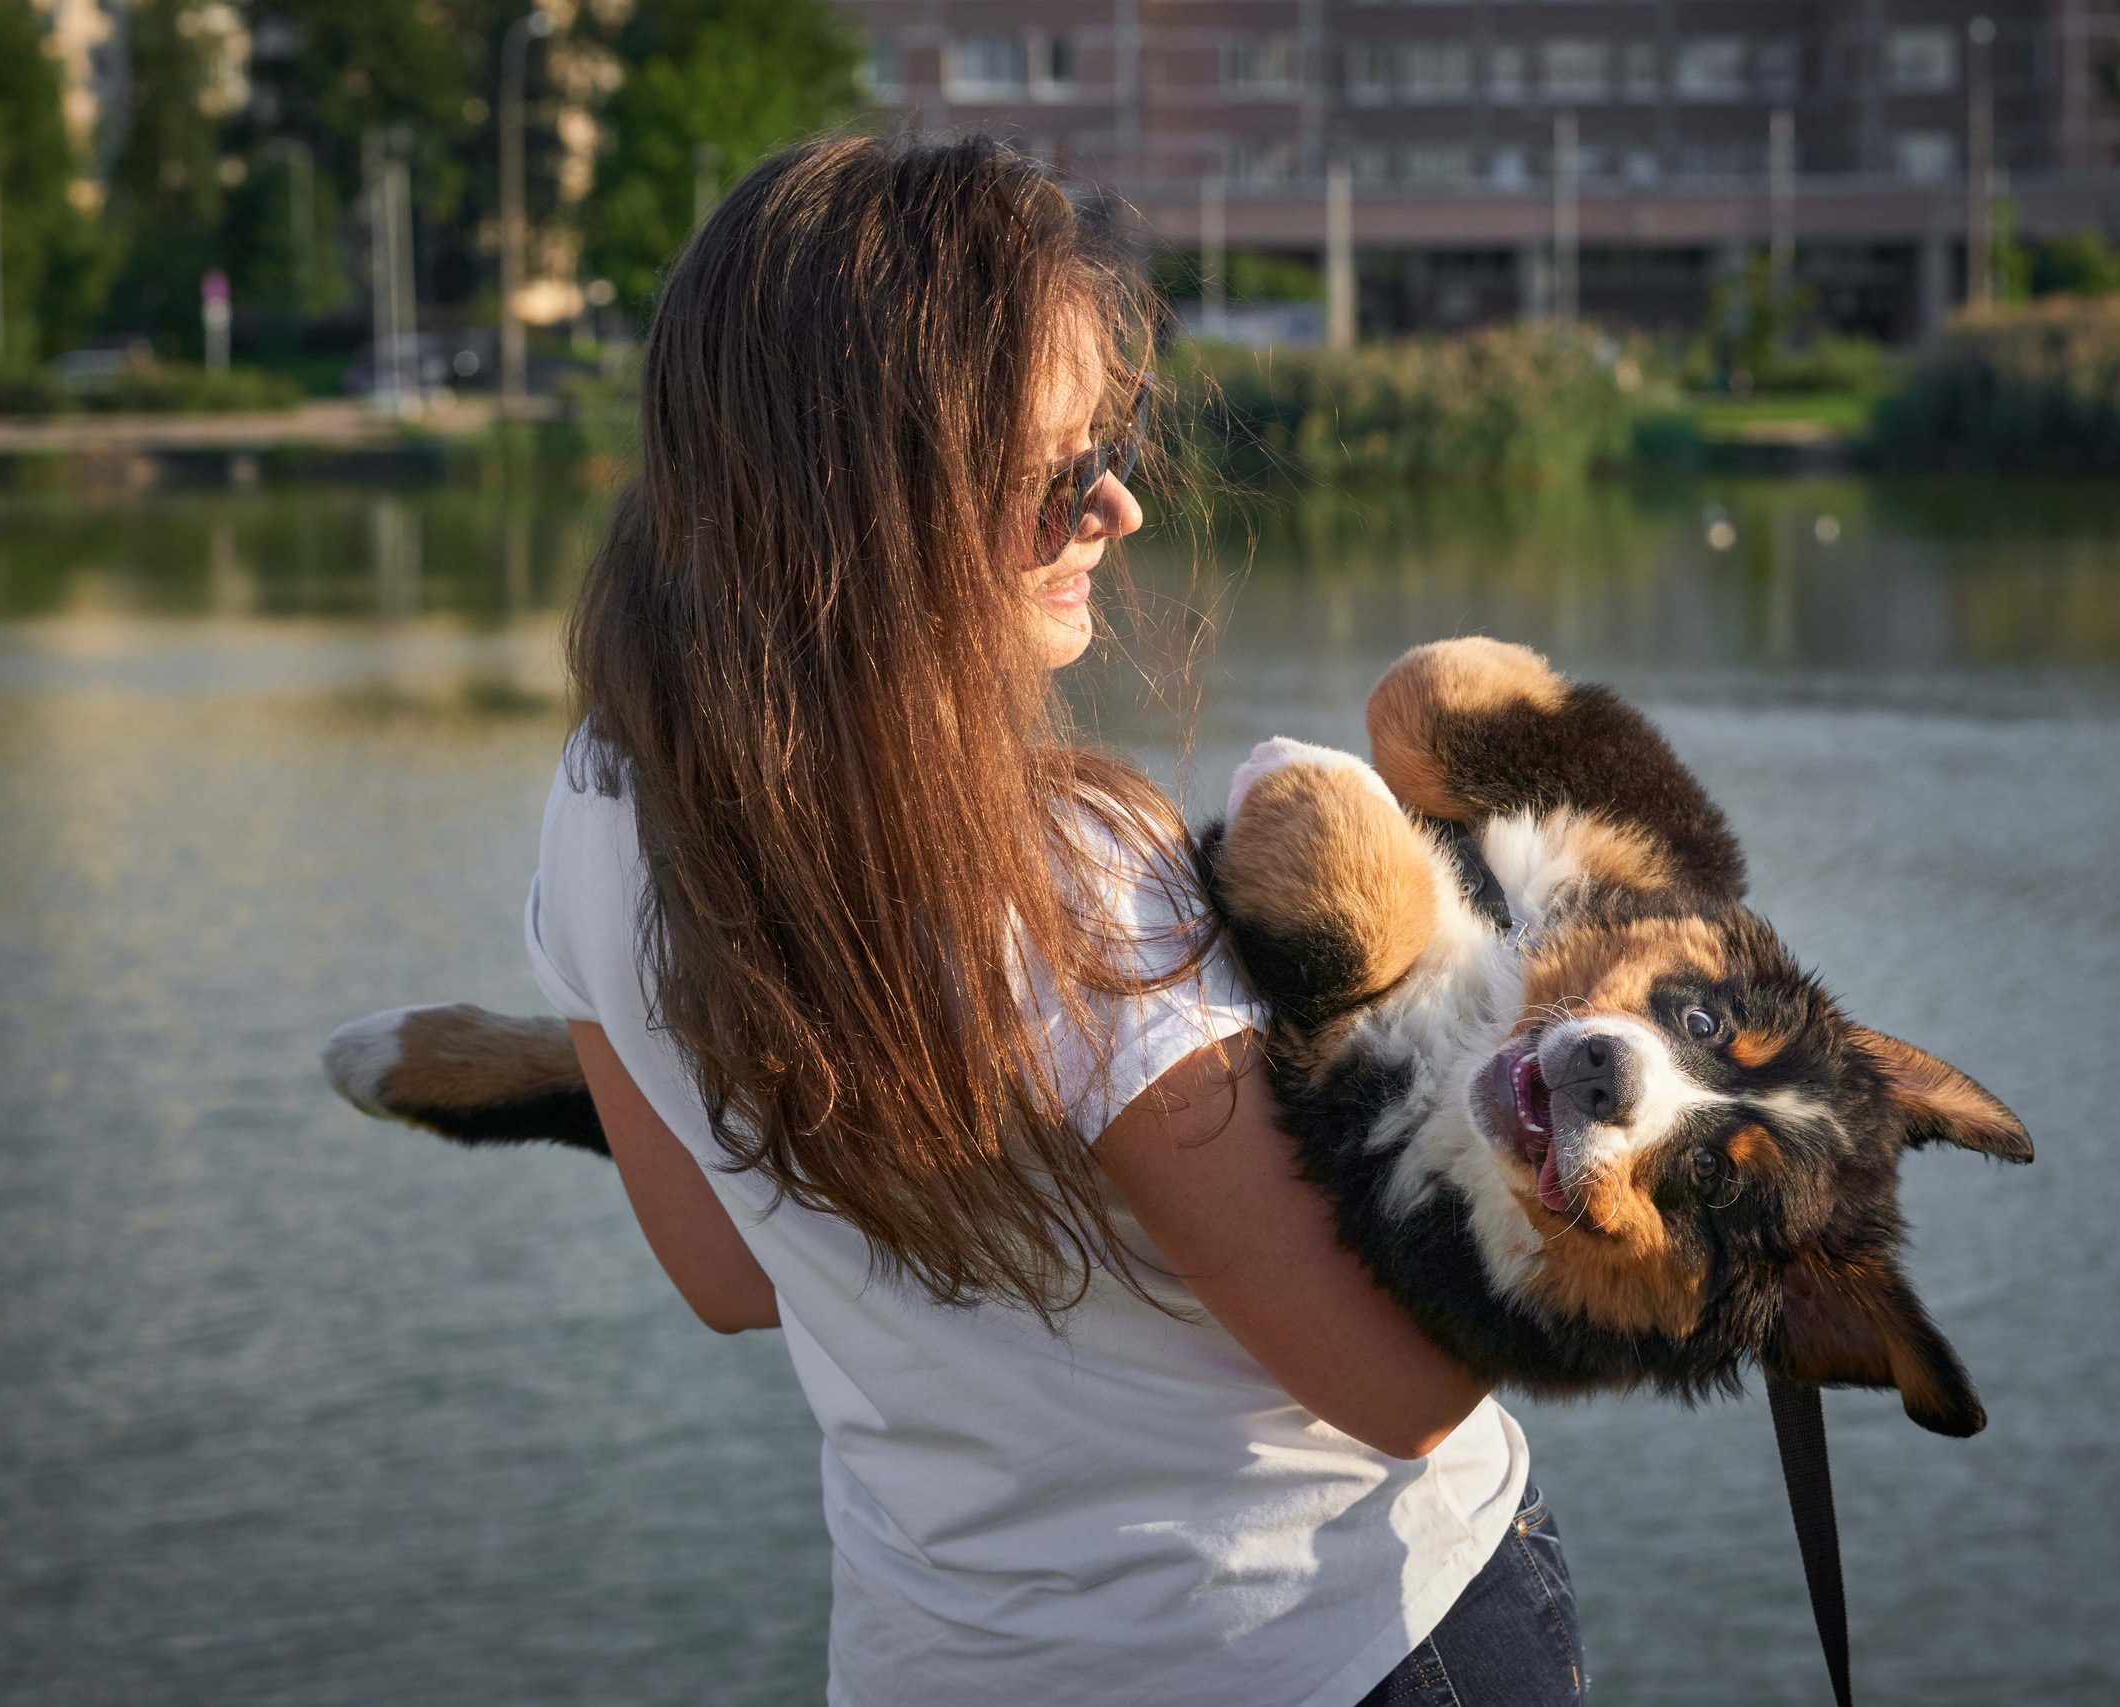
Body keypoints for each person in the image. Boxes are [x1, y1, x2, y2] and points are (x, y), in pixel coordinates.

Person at [521, 135, 1585, 1706]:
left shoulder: (603, 798)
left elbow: (730, 1274)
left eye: (1116, 436)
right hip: (1338, 1648)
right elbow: (1406, 1395)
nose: (1121, 506)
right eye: (1049, 477)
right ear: (854, 510)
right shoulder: (1070, 885)